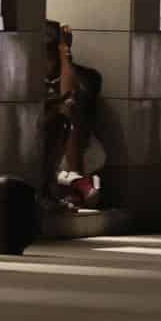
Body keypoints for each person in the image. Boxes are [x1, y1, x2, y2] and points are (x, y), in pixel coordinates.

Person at [43, 22, 106, 210]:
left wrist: (64, 53)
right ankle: (77, 183)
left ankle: (74, 178)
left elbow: (69, 97)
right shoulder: (25, 76)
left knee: (66, 113)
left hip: (77, 150)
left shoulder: (87, 77)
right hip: (42, 153)